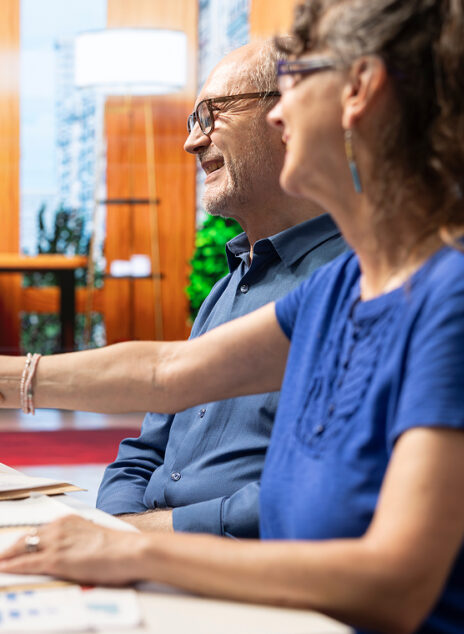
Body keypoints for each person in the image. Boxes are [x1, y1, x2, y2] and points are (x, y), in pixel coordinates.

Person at [0, 0, 464, 630]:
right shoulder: (350, 280)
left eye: (293, 79)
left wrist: (132, 549)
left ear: (359, 90)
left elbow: (395, 582)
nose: (280, 113)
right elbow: (170, 371)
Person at [96, 40, 345, 536]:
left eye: (211, 114)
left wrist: (156, 535)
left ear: (288, 118)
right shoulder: (226, 287)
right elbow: (144, 449)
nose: (191, 142)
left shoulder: (350, 283)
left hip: (244, 568)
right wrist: (120, 525)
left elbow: (318, 489)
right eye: (193, 120)